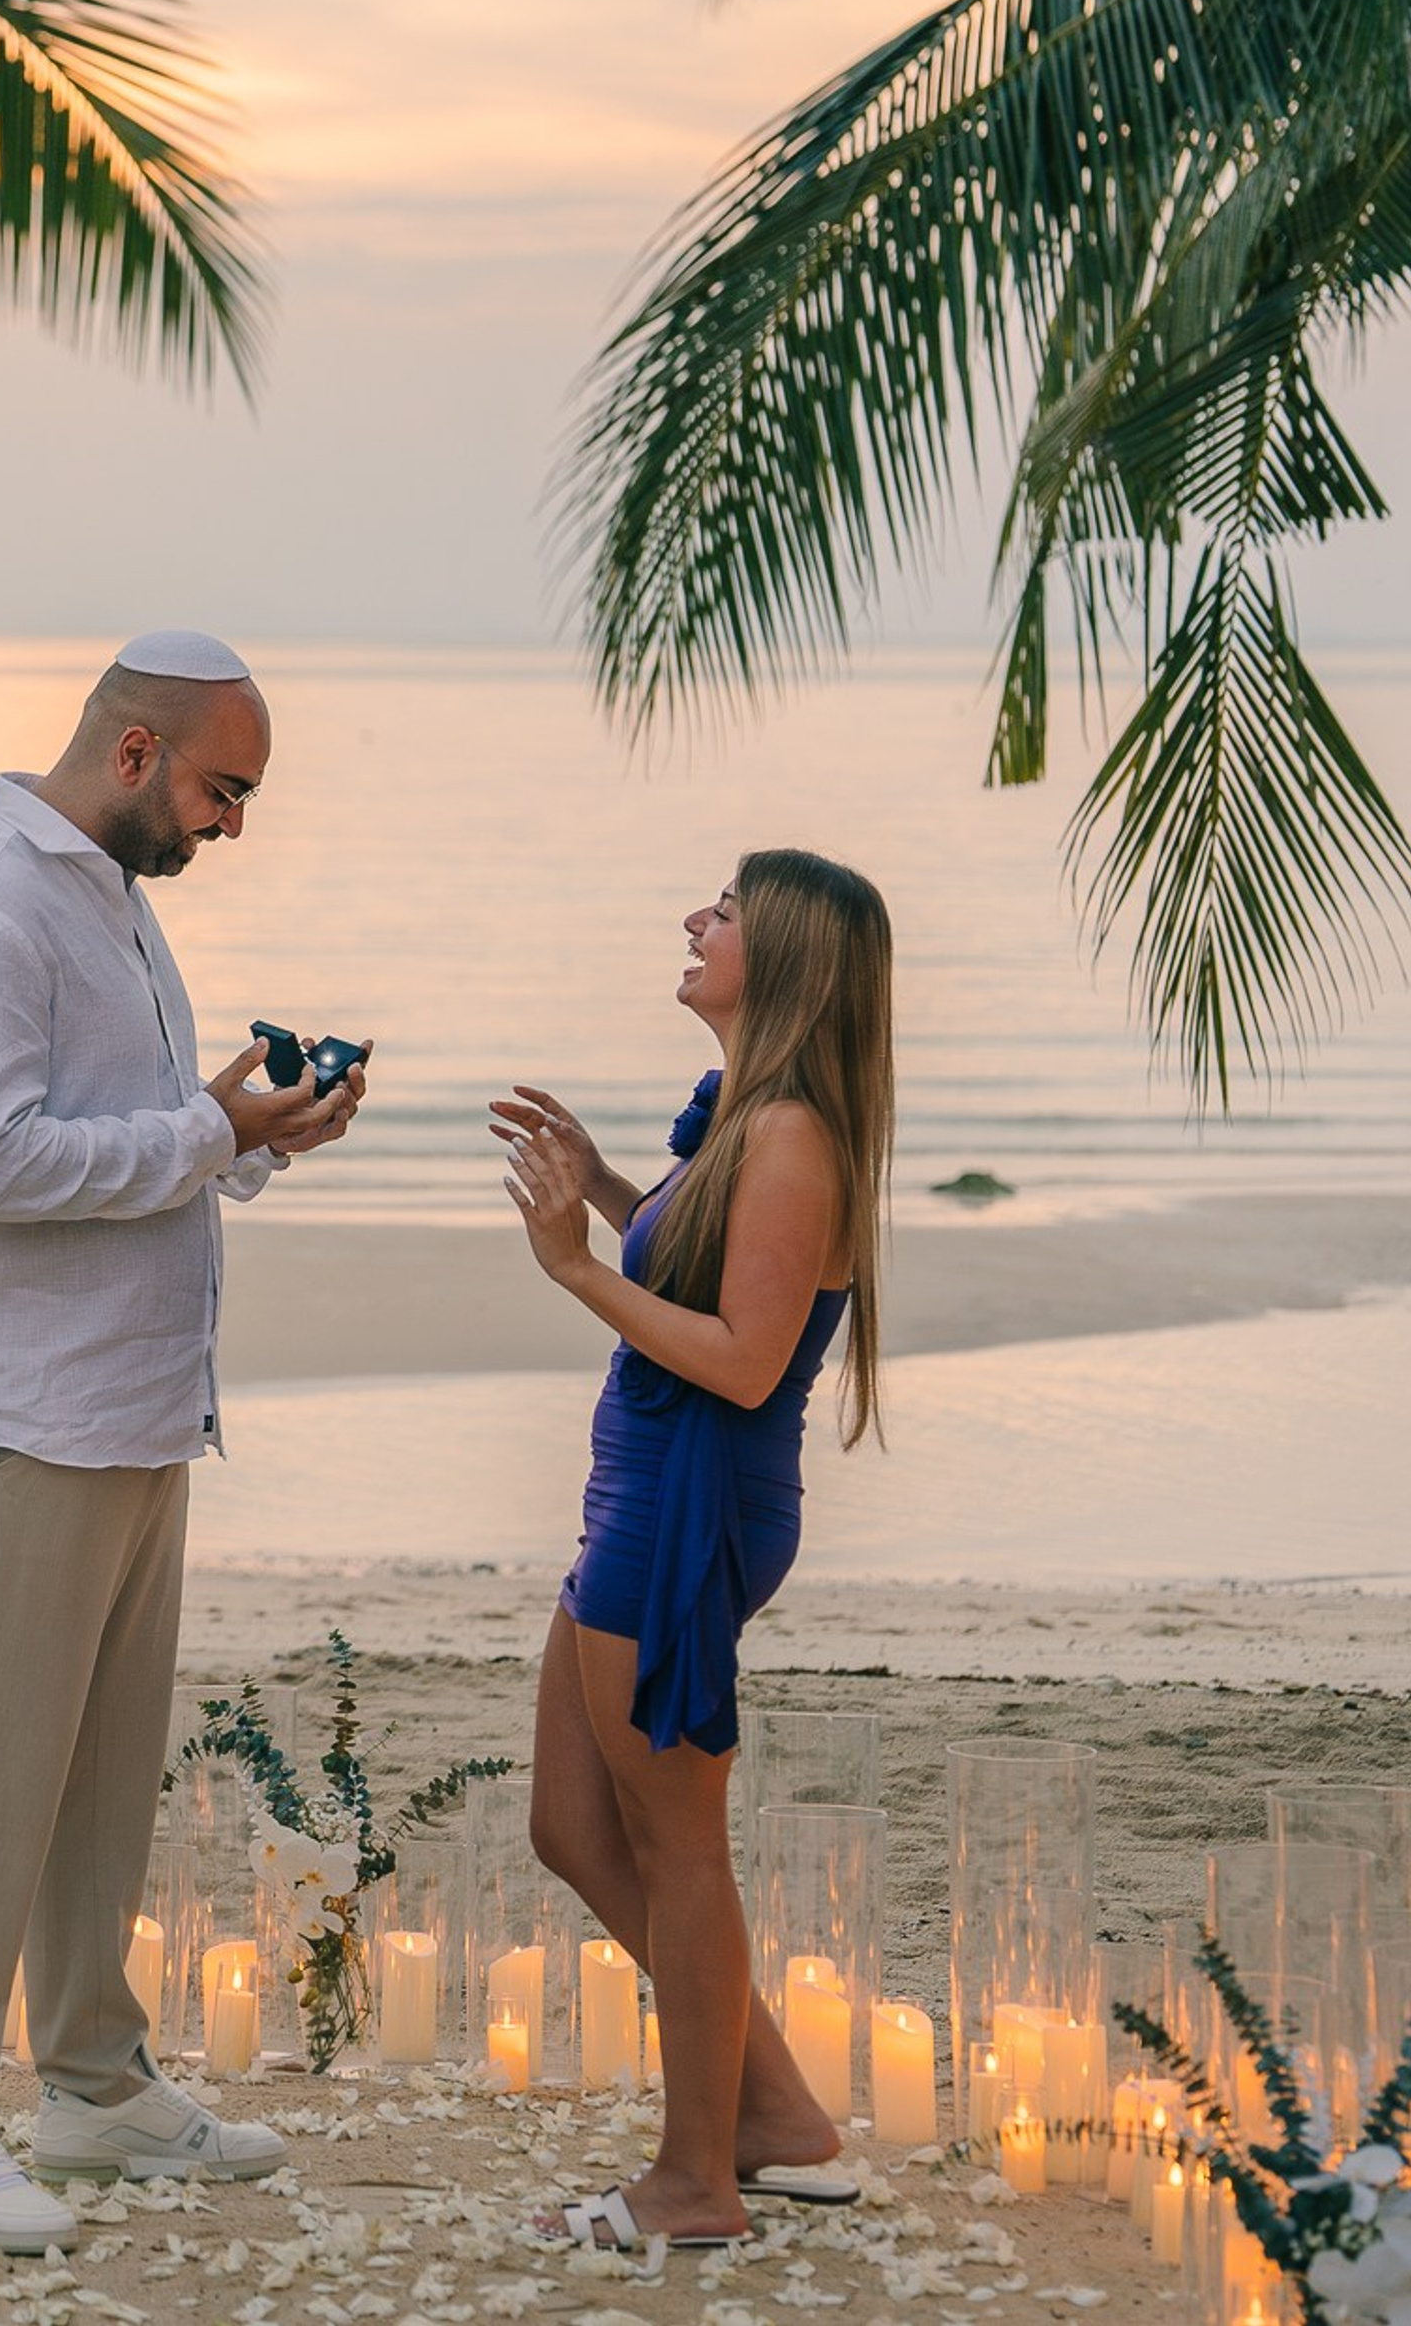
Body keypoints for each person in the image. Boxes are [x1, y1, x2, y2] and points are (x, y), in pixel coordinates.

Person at [0, 630, 366, 2255]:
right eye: (227, 787)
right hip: (13, 1413)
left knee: (95, 1783)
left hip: (132, 1409)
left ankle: (89, 2078)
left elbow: (128, 1149)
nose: (235, 824)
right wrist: (213, 1126)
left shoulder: (113, 902)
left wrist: (251, 1134)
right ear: (136, 753)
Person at [491, 848, 893, 2260]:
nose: (694, 917)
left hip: (689, 1505)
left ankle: (698, 2182)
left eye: (723, 909)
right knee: (572, 1822)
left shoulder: (791, 1137)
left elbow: (742, 1360)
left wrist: (575, 1271)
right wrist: (608, 1185)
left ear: (780, 957)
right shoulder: (750, 1121)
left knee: (676, 1852)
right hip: (642, 1488)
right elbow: (705, 1275)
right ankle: (774, 2113)